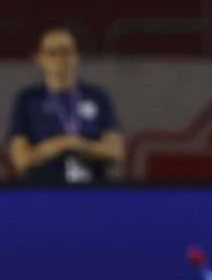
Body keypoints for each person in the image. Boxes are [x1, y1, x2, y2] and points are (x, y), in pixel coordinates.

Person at [7, 26, 125, 184]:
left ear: (78, 56)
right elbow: (20, 159)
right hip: (45, 190)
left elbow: (116, 152)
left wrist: (79, 146)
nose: (61, 59)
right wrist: (61, 145)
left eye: (67, 51)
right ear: (39, 58)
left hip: (93, 189)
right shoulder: (28, 100)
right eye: (52, 53)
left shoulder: (97, 97)